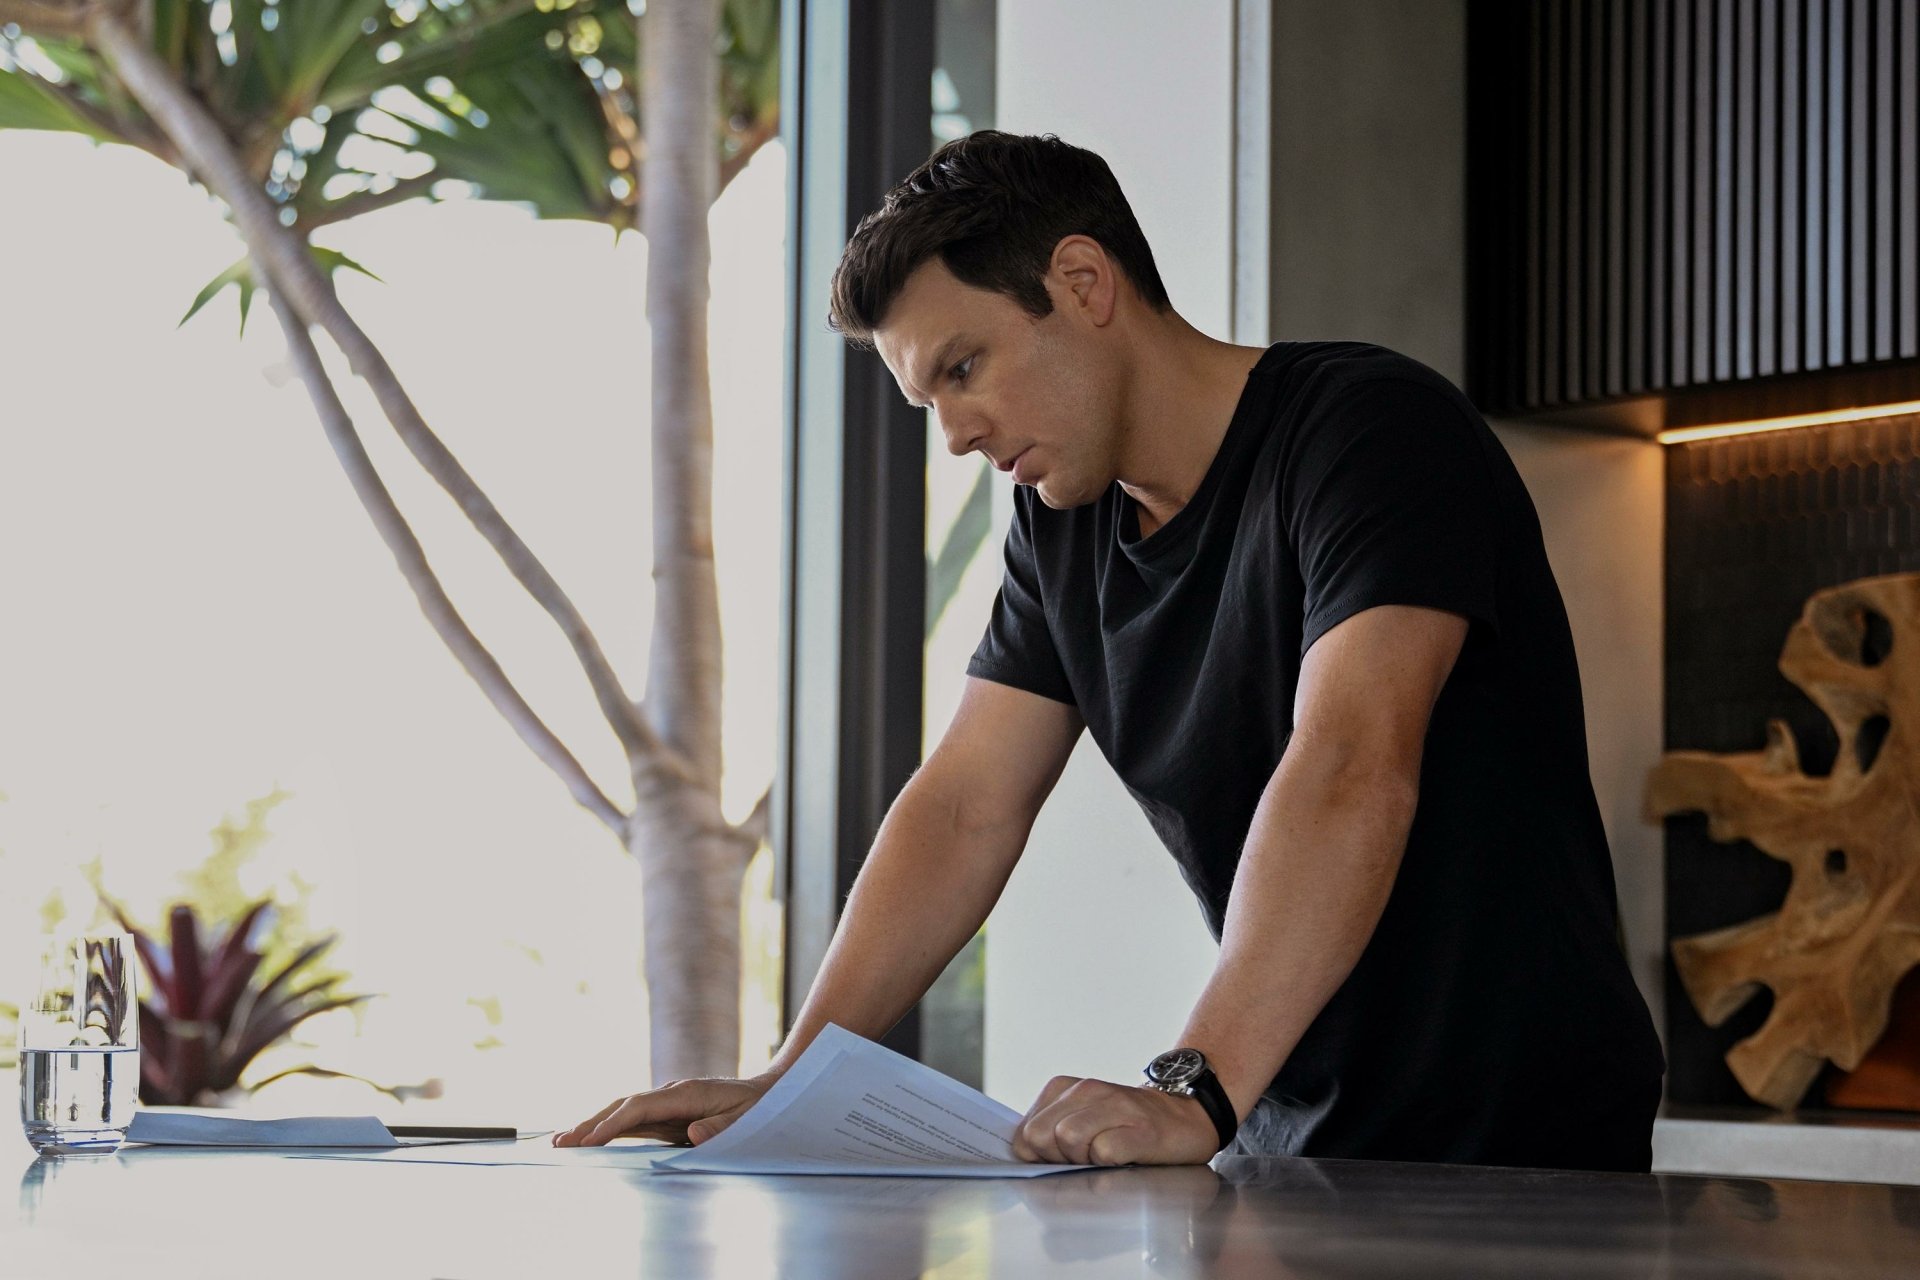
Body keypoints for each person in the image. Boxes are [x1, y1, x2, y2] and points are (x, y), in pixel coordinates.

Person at [556, 130, 1665, 1171]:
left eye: (963, 367)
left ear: (1084, 284)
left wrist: (1194, 1090)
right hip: (1289, 1142)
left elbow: (1351, 762)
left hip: (1520, 1144)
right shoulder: (1063, 525)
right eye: (926, 396)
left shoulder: (1370, 434)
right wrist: (792, 1080)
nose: (955, 432)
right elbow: (964, 804)